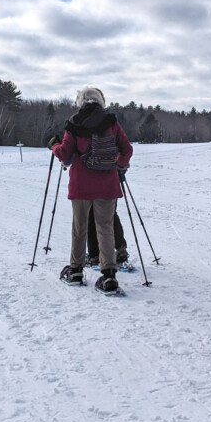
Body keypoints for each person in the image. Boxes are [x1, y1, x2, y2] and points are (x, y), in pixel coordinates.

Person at [49, 87, 132, 293]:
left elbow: (65, 153)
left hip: (81, 184)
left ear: (80, 102)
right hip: (107, 184)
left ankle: (76, 271)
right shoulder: (111, 121)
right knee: (105, 227)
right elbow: (127, 149)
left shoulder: (74, 122)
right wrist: (119, 165)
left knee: (80, 227)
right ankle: (109, 276)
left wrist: (54, 146)